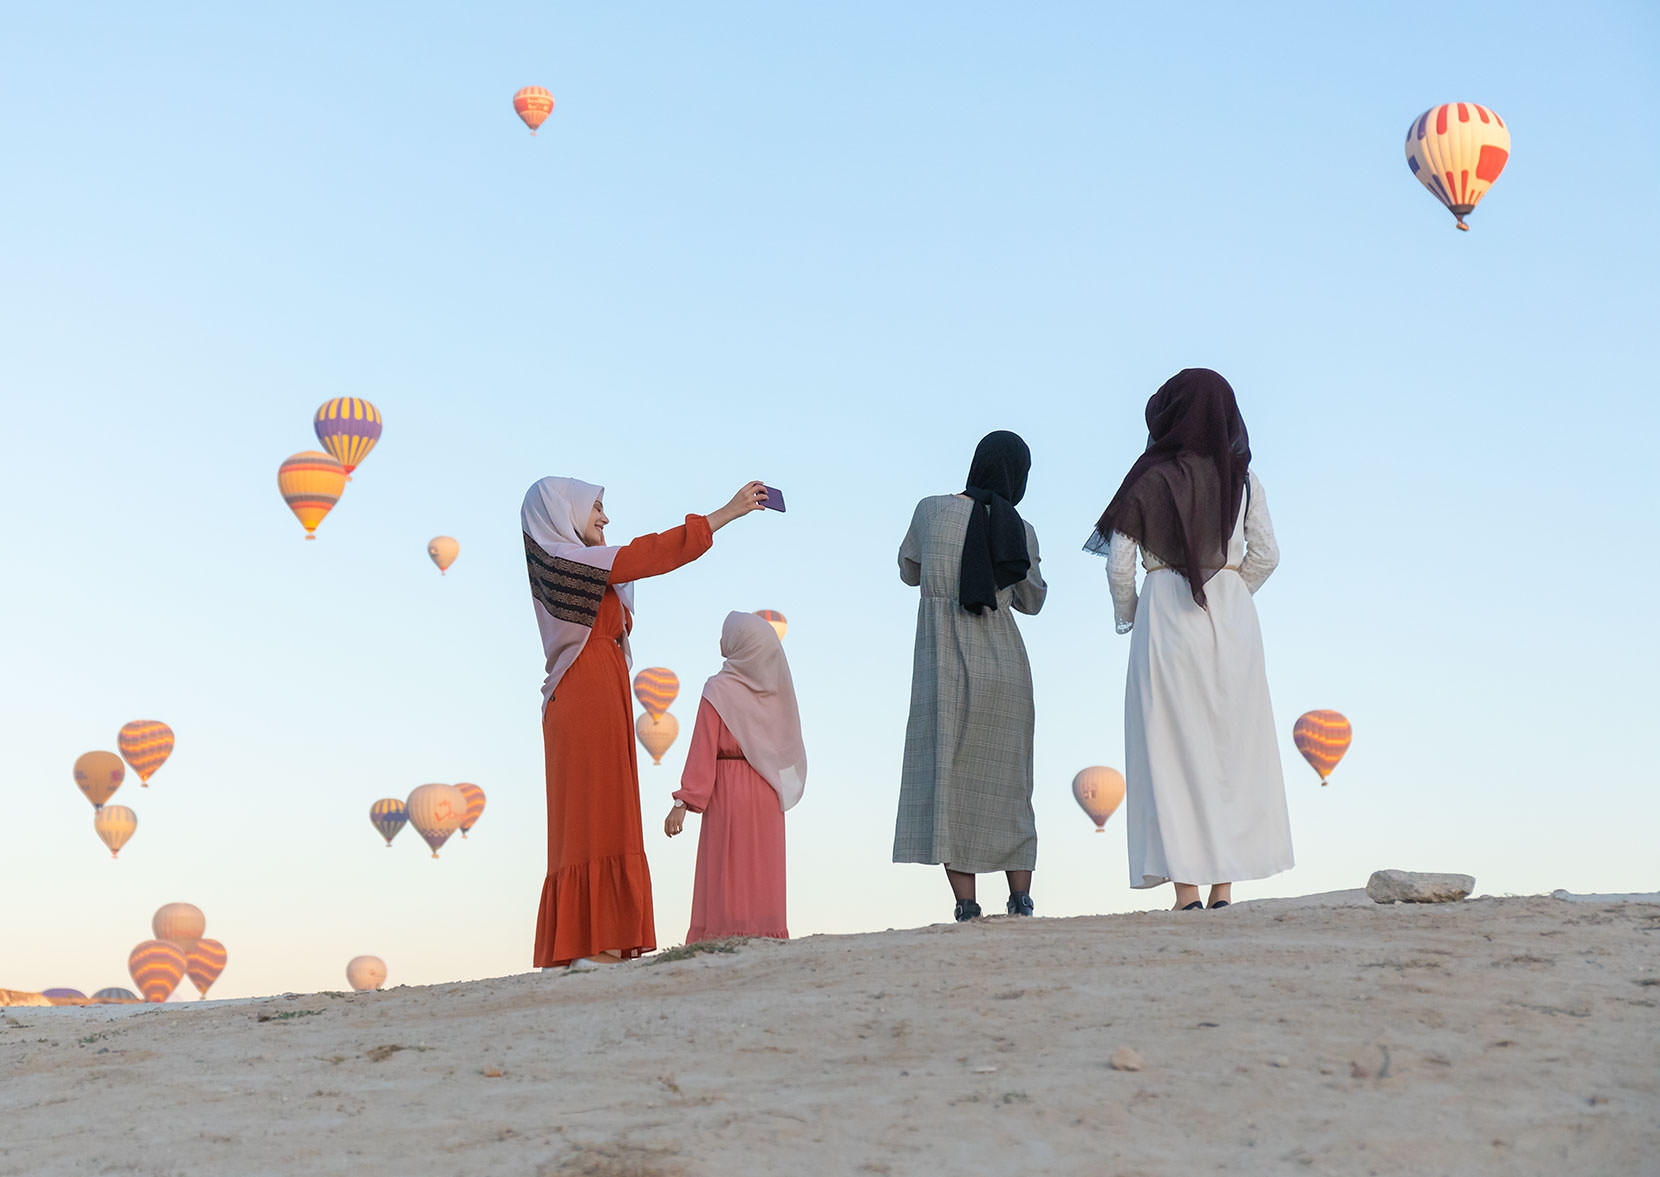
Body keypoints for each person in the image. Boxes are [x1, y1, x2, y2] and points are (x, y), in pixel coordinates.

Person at [524, 476, 767, 968]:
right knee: (600, 808)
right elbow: (648, 555)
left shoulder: (566, 563)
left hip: (594, 683)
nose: (605, 518)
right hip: (588, 686)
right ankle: (596, 946)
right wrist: (724, 514)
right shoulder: (570, 561)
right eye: (594, 508)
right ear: (564, 512)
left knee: (596, 809)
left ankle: (595, 944)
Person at [1085, 368, 1293, 911]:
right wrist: (1231, 592)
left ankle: (1186, 892)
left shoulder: (1147, 481)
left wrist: (1132, 615)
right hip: (1232, 620)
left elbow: (1118, 567)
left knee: (1172, 750)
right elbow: (1267, 555)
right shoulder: (1244, 481)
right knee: (1232, 748)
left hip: (1166, 619)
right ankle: (1225, 888)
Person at [893, 431, 1047, 922]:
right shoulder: (1020, 529)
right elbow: (1033, 601)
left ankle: (966, 905)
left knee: (948, 781)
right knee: (1009, 784)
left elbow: (909, 571)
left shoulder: (931, 510)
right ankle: (1020, 900)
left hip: (943, 665)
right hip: (1003, 664)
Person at [663, 611, 807, 943]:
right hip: (767, 789)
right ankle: (765, 936)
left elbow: (703, 748)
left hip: (727, 788)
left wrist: (683, 801)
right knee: (761, 868)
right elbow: (788, 743)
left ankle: (722, 937)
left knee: (727, 868)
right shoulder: (776, 693)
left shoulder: (718, 689)